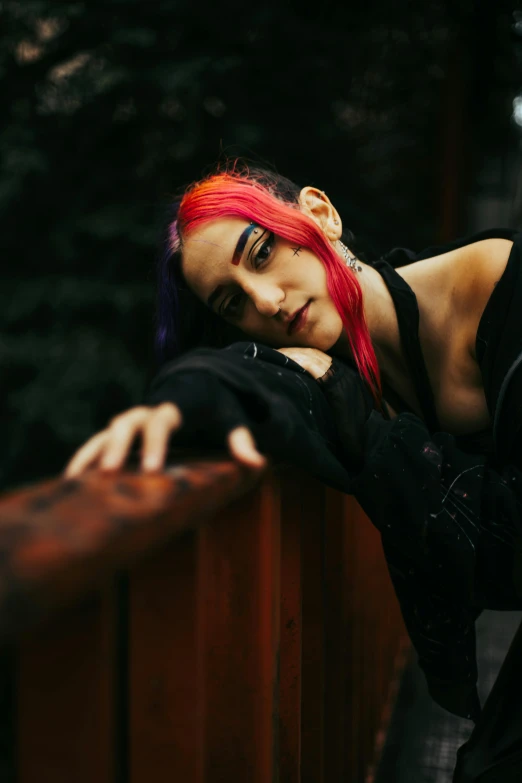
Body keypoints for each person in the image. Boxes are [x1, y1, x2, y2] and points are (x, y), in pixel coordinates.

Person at [64, 162, 522, 782]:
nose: (266, 302)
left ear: (321, 215)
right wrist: (182, 399)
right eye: (232, 303)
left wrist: (365, 426)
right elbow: (259, 378)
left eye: (261, 252)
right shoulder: (333, 364)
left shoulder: (502, 288)